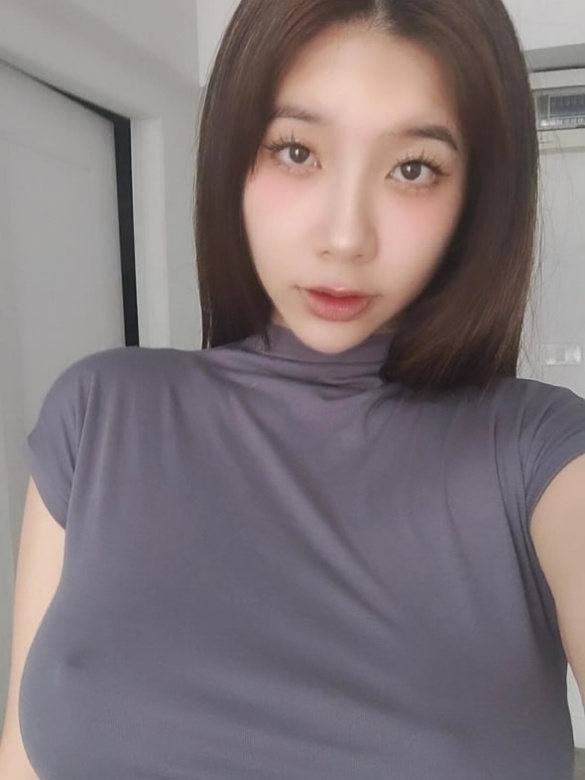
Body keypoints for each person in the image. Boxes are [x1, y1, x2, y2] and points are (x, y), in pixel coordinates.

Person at [1, 0, 584, 778]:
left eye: (412, 168)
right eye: (296, 152)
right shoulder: (98, 415)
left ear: (474, 196)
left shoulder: (539, 454)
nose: (345, 237)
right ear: (234, 156)